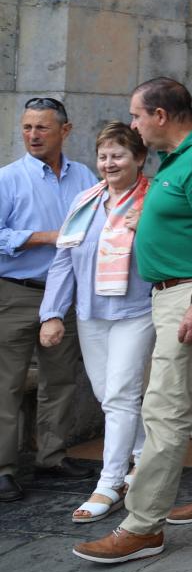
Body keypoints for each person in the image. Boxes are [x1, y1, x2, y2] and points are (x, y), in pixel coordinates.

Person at [75, 78, 192, 564]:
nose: (132, 125)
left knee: (164, 408)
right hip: (176, 291)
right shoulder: (182, 156)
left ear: (161, 115)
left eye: (136, 115)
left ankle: (142, 525)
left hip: (191, 293)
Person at [33, 120, 141, 519]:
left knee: (121, 395)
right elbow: (63, 260)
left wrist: (147, 229)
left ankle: (109, 481)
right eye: (103, 156)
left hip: (137, 311)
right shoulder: (85, 201)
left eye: (118, 155)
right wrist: (52, 313)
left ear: (139, 158)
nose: (109, 163)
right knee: (107, 395)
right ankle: (142, 457)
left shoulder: (153, 200)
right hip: (92, 313)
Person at [1, 96, 98, 505]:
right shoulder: (7, 178)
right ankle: (3, 469)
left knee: (60, 381)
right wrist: (45, 236)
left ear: (65, 130)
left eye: (42, 127)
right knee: (4, 384)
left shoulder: (85, 176)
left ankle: (52, 456)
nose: (33, 135)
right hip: (15, 294)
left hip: (67, 297)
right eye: (27, 127)